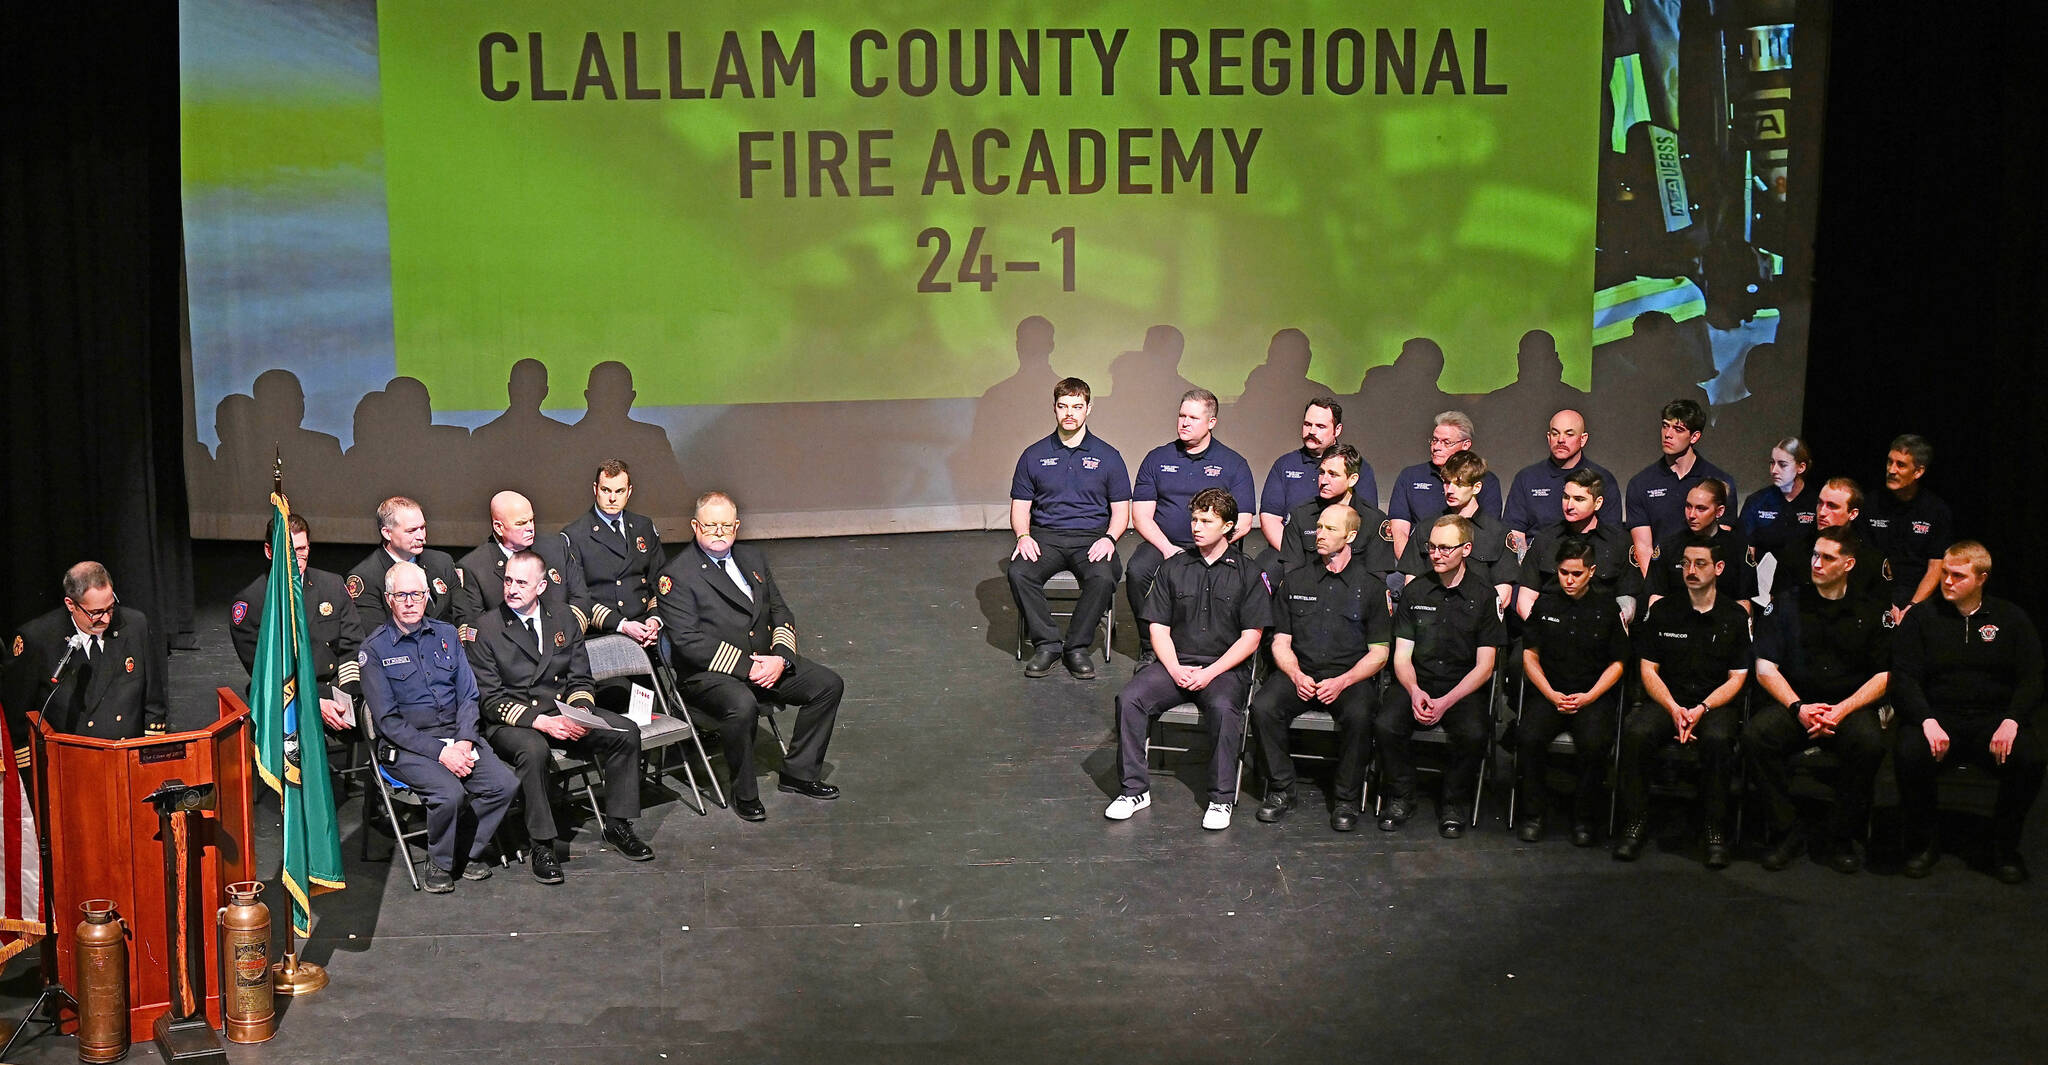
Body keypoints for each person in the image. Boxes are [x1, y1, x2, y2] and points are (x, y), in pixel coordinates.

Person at [463, 551, 651, 883]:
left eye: (521, 582)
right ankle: (543, 844)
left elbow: (580, 677)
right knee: (534, 752)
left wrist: (581, 713)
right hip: (515, 721)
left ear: (542, 585)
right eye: (508, 580)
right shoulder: (487, 629)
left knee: (626, 732)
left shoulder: (563, 617)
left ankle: (618, 824)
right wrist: (540, 721)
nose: (512, 589)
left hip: (563, 711)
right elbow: (490, 699)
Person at [657, 492, 845, 822]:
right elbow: (689, 643)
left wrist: (781, 658)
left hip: (766, 662)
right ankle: (744, 793)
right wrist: (750, 668)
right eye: (711, 525)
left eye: (726, 525)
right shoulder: (677, 575)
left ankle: (798, 773)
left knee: (827, 684)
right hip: (708, 675)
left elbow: (779, 610)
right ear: (694, 526)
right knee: (741, 705)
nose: (719, 531)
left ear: (737, 526)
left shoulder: (753, 558)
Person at [1106, 488, 1270, 830]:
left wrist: (1209, 673)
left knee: (1226, 710)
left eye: (1206, 521)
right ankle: (1134, 790)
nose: (1196, 527)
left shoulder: (1248, 573)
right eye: (1194, 519)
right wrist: (1175, 668)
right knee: (1130, 699)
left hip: (1223, 668)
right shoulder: (1174, 567)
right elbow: (1158, 629)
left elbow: (1251, 637)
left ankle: (1221, 798)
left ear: (1227, 527)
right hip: (1174, 663)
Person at [359, 561, 519, 893]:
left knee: (504, 784)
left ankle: (467, 850)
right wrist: (441, 752)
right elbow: (388, 722)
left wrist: (463, 741)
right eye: (401, 595)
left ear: (427, 596)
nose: (409, 602)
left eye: (416, 594)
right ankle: (440, 861)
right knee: (449, 794)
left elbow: (469, 696)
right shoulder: (374, 650)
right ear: (389, 598)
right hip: (410, 747)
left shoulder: (447, 635)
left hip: (459, 737)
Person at [1891, 541, 2043, 884]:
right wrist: (1926, 719)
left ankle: (2004, 846)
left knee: (2030, 757)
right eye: (1945, 573)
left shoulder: (2011, 618)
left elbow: (2033, 677)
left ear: (1981, 578)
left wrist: (2012, 719)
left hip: (1993, 718)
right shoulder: (1922, 618)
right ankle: (1922, 842)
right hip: (1937, 716)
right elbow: (1904, 676)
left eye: (1957, 575)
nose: (1946, 581)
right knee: (1909, 751)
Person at [1746, 527, 1890, 874]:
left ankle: (1840, 835)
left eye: (1828, 558)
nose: (1817, 563)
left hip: (1848, 705)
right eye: (1815, 555)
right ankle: (1787, 830)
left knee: (1870, 743)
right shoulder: (1785, 604)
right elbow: (1765, 668)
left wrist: (1841, 711)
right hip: (1797, 702)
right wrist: (1799, 708)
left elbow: (1885, 675)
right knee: (1755, 736)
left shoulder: (1871, 611)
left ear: (1849, 564)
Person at [1252, 503, 1393, 832]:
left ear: (1351, 536)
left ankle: (1346, 798)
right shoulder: (1296, 580)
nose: (1320, 534)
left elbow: (1379, 653)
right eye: (1319, 527)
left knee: (1361, 715)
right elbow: (1281, 641)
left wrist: (1343, 681)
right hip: (1300, 672)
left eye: (1330, 529)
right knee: (1263, 707)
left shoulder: (1371, 587)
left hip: (1349, 676)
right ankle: (1281, 789)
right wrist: (1296, 674)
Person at [1615, 534, 1751, 868]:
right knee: (1636, 733)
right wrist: (1674, 708)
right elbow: (1648, 669)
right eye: (1686, 563)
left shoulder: (1733, 616)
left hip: (1713, 703)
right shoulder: (1664, 610)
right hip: (1668, 700)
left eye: (1700, 564)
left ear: (1718, 568)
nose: (1691, 570)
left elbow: (1738, 678)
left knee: (1719, 740)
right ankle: (1635, 822)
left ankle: (1714, 829)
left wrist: (1702, 709)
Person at [1377, 515, 1507, 838]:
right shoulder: (1415, 592)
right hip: (1417, 680)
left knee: (1474, 732)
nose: (1436, 554)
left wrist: (1446, 701)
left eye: (1445, 548)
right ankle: (1401, 796)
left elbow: (1485, 666)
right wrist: (1415, 690)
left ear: (1466, 549)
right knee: (1385, 724)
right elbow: (1402, 655)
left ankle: (1453, 802)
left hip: (1462, 686)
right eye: (1432, 547)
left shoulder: (1485, 597)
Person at [1008, 377, 1131, 680]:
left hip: (1092, 538)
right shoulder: (1033, 455)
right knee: (1019, 572)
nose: (1070, 413)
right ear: (1054, 408)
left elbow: (1121, 512)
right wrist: (1023, 536)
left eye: (1077, 406)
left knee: (1103, 576)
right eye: (1063, 406)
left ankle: (1076, 647)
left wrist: (1109, 538)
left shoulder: (1109, 456)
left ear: (1089, 409)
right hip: (1045, 537)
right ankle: (1047, 644)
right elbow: (1020, 508)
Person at [1127, 389, 1258, 661]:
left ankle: (1211, 646)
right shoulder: (1157, 458)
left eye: (1193, 418)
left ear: (1211, 423)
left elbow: (1244, 521)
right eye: (1181, 416)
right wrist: (1167, 549)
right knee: (1138, 570)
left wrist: (1211, 547)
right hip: (1165, 544)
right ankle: (1151, 646)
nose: (1184, 423)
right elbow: (1140, 515)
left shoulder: (1233, 464)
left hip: (1216, 547)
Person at [1517, 538, 1630, 845]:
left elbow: (1618, 662)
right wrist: (1551, 693)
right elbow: (1530, 655)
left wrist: (1591, 696)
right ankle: (1532, 815)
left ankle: (1584, 819)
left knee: (1595, 745)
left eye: (1576, 573)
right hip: (1550, 691)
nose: (1569, 579)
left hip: (1591, 694)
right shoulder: (1546, 603)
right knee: (1528, 738)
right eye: (1564, 572)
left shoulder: (1608, 608)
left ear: (1591, 572)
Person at [3, 562, 169, 768]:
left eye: (111, 607)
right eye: (96, 612)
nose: (107, 619)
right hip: (71, 767)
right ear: (70, 604)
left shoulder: (135, 625)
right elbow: (18, 712)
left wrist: (151, 753)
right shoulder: (38, 638)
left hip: (128, 760)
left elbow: (153, 699)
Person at [229, 512, 364, 731]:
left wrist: (346, 697)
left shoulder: (332, 585)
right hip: (284, 700)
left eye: (301, 549)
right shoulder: (250, 603)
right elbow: (264, 673)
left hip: (335, 689)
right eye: (287, 551)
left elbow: (352, 647)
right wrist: (312, 704)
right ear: (269, 551)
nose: (295, 558)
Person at [1397, 450, 1515, 615]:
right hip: (1431, 620)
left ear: (1476, 487)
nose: (1450, 490)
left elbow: (1503, 594)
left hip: (1477, 621)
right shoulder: (1427, 528)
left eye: (1459, 484)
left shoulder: (1496, 532)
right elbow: (1411, 584)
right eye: (1446, 482)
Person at [1516, 468, 1641, 624]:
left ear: (1598, 503)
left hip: (1601, 633)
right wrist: (1544, 631)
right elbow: (1525, 598)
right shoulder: (1545, 539)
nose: (1569, 505)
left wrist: (1608, 630)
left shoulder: (1619, 541)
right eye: (1566, 497)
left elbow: (1627, 598)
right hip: (1550, 631)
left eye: (1579, 499)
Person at [1626, 399, 1737, 573]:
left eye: (1678, 429)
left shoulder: (1719, 482)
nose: (1668, 434)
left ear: (1694, 436)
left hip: (1705, 580)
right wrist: (1658, 587)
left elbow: (1721, 542)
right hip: (1661, 580)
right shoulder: (1641, 483)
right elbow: (1643, 547)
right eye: (1665, 426)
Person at [562, 460, 665, 647]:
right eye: (606, 490)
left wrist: (655, 619)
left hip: (647, 629)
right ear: (595, 489)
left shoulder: (644, 526)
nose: (612, 498)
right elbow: (577, 596)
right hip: (606, 633)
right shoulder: (575, 535)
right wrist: (621, 625)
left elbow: (659, 581)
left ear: (629, 491)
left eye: (619, 491)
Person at [453, 491, 590, 628]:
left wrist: (564, 635)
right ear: (499, 528)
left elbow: (581, 598)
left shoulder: (556, 547)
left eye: (531, 520)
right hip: (508, 647)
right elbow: (477, 626)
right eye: (521, 523)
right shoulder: (474, 567)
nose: (530, 528)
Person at [1265, 444, 1396, 584]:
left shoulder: (1374, 521)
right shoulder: (1300, 516)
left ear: (1352, 479)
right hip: (1310, 593)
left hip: (1355, 596)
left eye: (1333, 474)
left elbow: (1377, 581)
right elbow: (1292, 573)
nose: (1324, 481)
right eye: (1322, 472)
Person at [1258, 397, 1375, 553]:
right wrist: (1293, 555)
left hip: (1342, 555)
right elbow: (1270, 518)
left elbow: (1366, 521)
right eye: (1307, 424)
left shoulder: (1358, 467)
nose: (1312, 431)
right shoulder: (1285, 464)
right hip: (1289, 551)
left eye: (1320, 426)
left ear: (1337, 429)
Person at [1386, 411, 1504, 561]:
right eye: (1434, 440)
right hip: (1419, 559)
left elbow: (1488, 532)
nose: (1436, 447)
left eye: (1446, 442)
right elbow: (1399, 531)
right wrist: (1411, 565)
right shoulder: (1410, 476)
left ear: (1465, 445)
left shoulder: (1486, 480)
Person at [1863, 434, 1951, 626]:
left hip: (1918, 596)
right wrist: (1885, 602)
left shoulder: (1936, 510)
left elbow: (1935, 568)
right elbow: (1864, 559)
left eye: (1900, 465)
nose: (1891, 470)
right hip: (1876, 593)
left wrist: (1913, 607)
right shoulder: (1871, 503)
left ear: (1918, 472)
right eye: (1889, 462)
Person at [1503, 409, 1620, 552]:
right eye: (1555, 433)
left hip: (1586, 565)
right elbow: (1515, 531)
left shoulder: (1602, 478)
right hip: (1536, 564)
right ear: (1548, 437)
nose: (1561, 440)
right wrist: (1526, 568)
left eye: (1569, 434)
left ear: (1583, 439)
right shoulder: (1527, 477)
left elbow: (1611, 534)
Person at [348, 496, 464, 630]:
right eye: (411, 530)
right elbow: (375, 636)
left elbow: (464, 615)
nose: (421, 536)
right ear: (387, 533)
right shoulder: (367, 576)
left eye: (422, 527)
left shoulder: (441, 562)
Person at [1644, 480, 1757, 612]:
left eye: (1701, 508)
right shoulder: (1668, 546)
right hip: (1677, 624)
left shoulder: (1737, 547)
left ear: (1719, 511)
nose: (1691, 515)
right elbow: (1656, 596)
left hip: (1723, 624)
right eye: (1688, 506)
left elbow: (1743, 602)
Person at [1781, 478, 1884, 604]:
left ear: (1852, 514)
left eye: (1832, 506)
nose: (1822, 512)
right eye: (1820, 503)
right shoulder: (1796, 549)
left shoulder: (1870, 558)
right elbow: (1779, 603)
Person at [1737, 436, 1818, 591]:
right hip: (1761, 589)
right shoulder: (1757, 501)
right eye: (1772, 463)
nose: (1774, 470)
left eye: (1782, 465)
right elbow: (1745, 552)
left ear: (1801, 467)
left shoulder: (1817, 503)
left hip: (1804, 589)